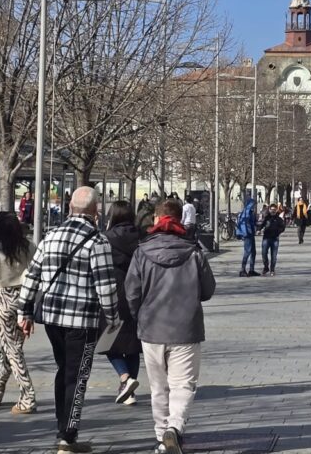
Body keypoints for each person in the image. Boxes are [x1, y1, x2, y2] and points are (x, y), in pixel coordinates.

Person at [16, 186, 118, 453]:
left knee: (64, 370)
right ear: (96, 212)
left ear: (71, 208)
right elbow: (105, 286)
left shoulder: (51, 236)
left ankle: (62, 428)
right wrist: (113, 318)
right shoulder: (98, 241)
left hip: (52, 317)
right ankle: (68, 436)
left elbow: (32, 275)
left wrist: (24, 312)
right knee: (78, 375)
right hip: (81, 320)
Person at [125, 199, 216, 454]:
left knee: (158, 388)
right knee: (183, 385)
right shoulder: (194, 251)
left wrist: (139, 316)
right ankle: (174, 429)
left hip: (152, 328)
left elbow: (131, 292)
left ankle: (160, 437)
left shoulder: (142, 251)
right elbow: (208, 289)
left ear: (156, 219)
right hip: (186, 328)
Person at [0, 211, 36, 415]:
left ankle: (27, 396)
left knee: (12, 350)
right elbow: (36, 273)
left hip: (2, 300)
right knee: (10, 348)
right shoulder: (28, 246)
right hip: (24, 302)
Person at [101, 201, 145, 407]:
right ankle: (129, 391)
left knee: (109, 342)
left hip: (113, 294)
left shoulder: (106, 239)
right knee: (133, 345)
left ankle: (125, 378)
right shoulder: (142, 238)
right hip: (138, 293)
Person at [259, 204, 287, 276]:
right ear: (269, 210)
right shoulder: (266, 218)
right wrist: (259, 229)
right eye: (271, 210)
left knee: (274, 256)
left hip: (275, 239)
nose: (273, 211)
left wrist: (278, 231)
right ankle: (266, 267)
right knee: (264, 253)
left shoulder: (279, 219)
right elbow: (261, 225)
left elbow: (283, 227)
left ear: (276, 210)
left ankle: (272, 269)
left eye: (274, 210)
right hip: (266, 238)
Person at [235, 198, 259, 277]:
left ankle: (251, 270)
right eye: (254, 205)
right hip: (248, 235)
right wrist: (245, 234)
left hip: (250, 234)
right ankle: (243, 270)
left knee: (253, 252)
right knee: (247, 252)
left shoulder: (250, 212)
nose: (255, 206)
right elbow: (243, 224)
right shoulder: (246, 213)